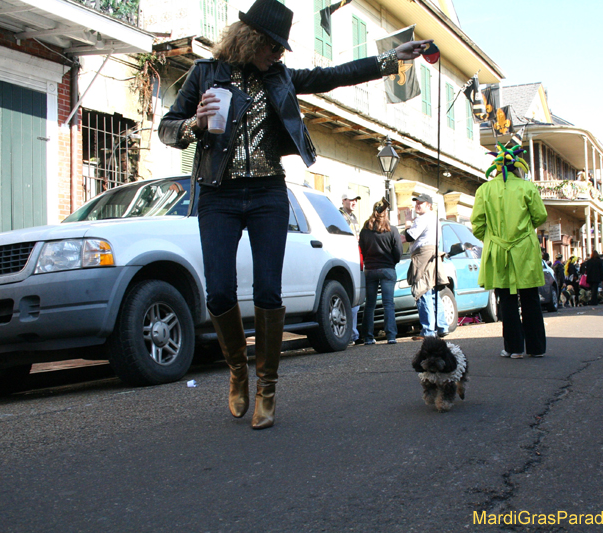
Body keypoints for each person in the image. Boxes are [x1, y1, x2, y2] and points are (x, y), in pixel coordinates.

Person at [158, 0, 432, 429]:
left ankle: (267, 385)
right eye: (273, 46)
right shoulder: (204, 74)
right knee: (218, 293)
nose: (279, 54)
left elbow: (332, 76)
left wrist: (388, 61)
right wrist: (193, 124)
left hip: (268, 192)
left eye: (282, 49)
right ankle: (237, 371)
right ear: (251, 40)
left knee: (269, 290)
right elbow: (166, 127)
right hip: (218, 195)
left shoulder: (280, 77)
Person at [471, 153, 548, 358]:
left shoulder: (484, 190)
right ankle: (536, 347)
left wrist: (491, 237)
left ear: (496, 168)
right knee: (530, 297)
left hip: (498, 249)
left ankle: (514, 348)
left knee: (506, 299)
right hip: (524, 249)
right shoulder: (527, 187)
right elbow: (540, 216)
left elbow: (477, 224)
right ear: (517, 167)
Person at [404, 193, 449, 338]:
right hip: (433, 254)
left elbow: (411, 236)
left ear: (429, 205)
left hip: (423, 255)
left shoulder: (422, 219)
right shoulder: (435, 219)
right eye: (416, 202)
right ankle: (442, 326)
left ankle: (428, 331)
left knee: (422, 291)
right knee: (433, 291)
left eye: (421, 203)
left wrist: (407, 224)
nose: (417, 205)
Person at [359, 199, 402, 345]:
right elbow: (398, 252)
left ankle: (368, 337)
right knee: (388, 303)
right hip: (387, 268)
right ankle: (391, 336)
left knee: (369, 304)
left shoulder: (365, 230)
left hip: (370, 269)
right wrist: (392, 263)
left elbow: (362, 249)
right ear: (385, 213)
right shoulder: (392, 230)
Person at [340, 189, 362, 344]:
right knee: (349, 298)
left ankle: (353, 333)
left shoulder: (353, 217)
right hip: (346, 257)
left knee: (355, 299)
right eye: (350, 199)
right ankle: (350, 333)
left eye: (355, 200)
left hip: (355, 257)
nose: (354, 202)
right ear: (343, 201)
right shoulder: (340, 216)